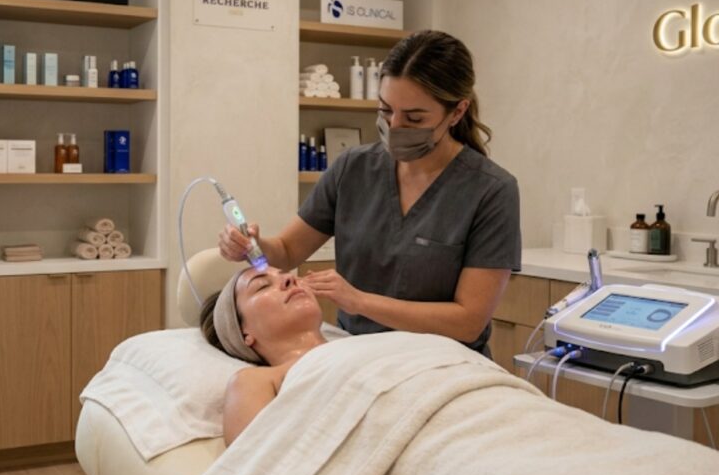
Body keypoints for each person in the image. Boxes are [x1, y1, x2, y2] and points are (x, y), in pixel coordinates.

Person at [219, 30, 521, 357]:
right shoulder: (353, 169)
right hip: (358, 357)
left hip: (445, 364)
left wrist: (359, 301)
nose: (394, 127)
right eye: (386, 110)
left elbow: (468, 321)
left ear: (457, 112)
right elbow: (288, 250)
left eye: (414, 118)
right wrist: (252, 245)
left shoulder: (491, 191)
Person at [199, 266, 327, 445]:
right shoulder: (255, 381)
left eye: (286, 274)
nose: (291, 279)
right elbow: (254, 462)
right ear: (244, 333)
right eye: (262, 286)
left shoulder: (361, 343)